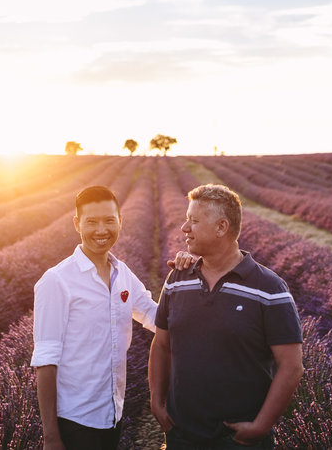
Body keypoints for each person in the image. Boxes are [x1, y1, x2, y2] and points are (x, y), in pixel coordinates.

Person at [31, 185, 193, 450]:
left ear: (120, 221)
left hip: (113, 413)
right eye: (91, 222)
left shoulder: (123, 273)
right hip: (75, 420)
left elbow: (154, 315)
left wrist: (186, 278)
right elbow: (46, 361)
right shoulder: (56, 281)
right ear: (77, 224)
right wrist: (51, 437)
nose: (101, 230)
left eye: (109, 220)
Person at [149, 184, 303, 449]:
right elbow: (161, 345)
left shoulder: (269, 288)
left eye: (194, 221)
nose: (184, 228)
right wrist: (156, 403)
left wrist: (260, 426)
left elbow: (291, 367)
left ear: (222, 227)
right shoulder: (177, 279)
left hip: (237, 440)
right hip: (181, 434)